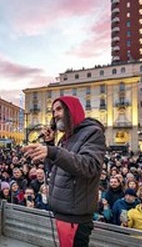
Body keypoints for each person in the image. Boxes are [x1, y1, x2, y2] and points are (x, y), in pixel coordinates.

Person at [22, 95, 106, 247]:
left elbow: (89, 166)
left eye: (59, 109)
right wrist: (50, 144)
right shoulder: (65, 138)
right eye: (53, 111)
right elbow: (54, 171)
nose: (55, 115)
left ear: (72, 110)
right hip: (64, 213)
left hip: (75, 217)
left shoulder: (93, 133)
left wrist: (53, 151)